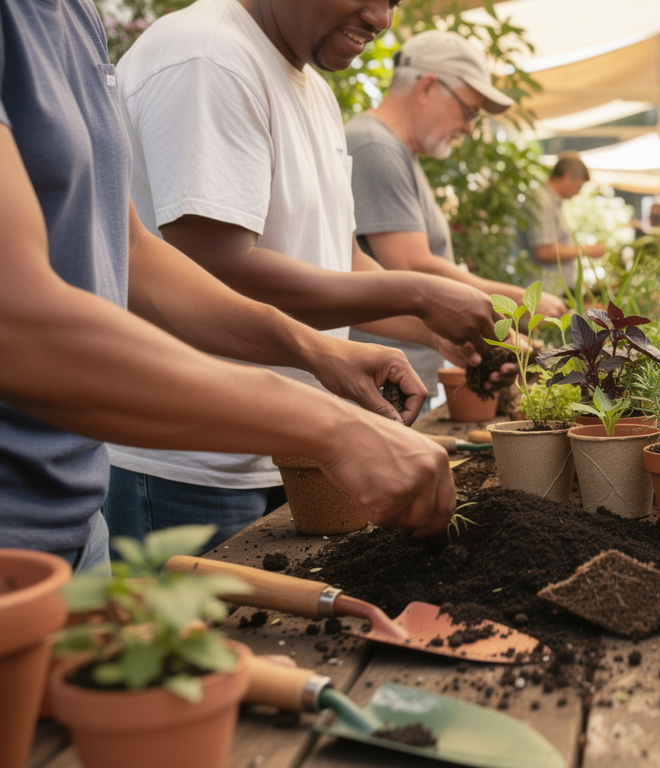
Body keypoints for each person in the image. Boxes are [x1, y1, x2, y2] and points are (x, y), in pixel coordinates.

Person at [0, 0, 459, 571]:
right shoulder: (202, 52)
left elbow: (133, 253)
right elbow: (20, 327)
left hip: (76, 508)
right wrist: (332, 425)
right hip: (42, 518)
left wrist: (317, 351)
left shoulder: (75, 16)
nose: (382, 16)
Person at [108, 0, 513, 550]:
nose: (382, 18)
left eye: (394, 1)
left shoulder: (316, 91)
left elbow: (340, 260)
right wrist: (418, 292)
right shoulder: (207, 56)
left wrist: (432, 331)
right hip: (187, 464)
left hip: (291, 455)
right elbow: (217, 268)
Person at [344, 29, 566, 396]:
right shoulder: (374, 147)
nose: (468, 127)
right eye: (468, 111)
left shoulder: (398, 152)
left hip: (403, 374)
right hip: (375, 380)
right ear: (427, 87)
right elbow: (413, 266)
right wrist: (513, 303)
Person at [526, 151, 604, 294]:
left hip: (551, 291)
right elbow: (544, 251)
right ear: (567, 177)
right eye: (578, 186)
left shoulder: (551, 202)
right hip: (545, 293)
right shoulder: (543, 202)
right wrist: (586, 250)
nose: (578, 192)